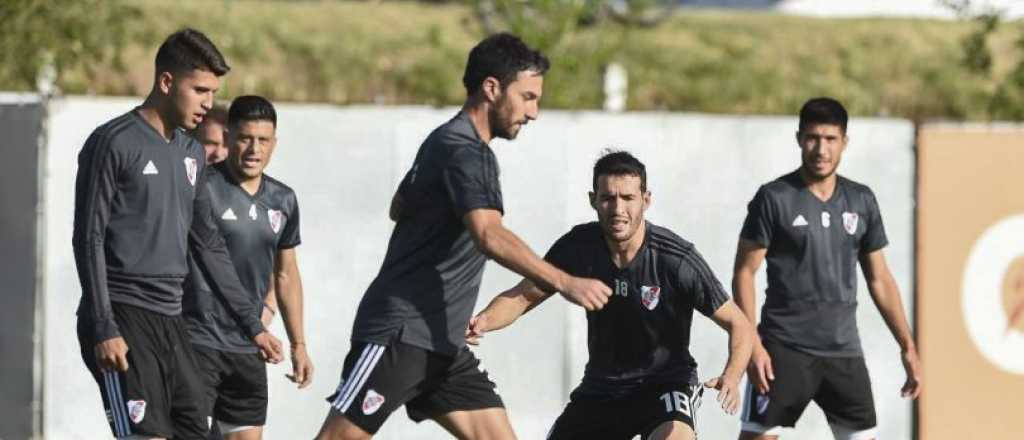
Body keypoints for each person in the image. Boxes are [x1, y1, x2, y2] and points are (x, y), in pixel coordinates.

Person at [315, 33, 611, 440]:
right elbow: (488, 234)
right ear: (491, 88)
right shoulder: (466, 152)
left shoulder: (444, 140)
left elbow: (398, 207)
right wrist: (565, 282)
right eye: (527, 97)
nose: (534, 112)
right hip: (402, 331)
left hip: (444, 341)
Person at [72, 28, 282, 439]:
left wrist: (252, 324)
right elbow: (88, 238)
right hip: (124, 315)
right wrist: (103, 324)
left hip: (173, 321)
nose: (209, 104)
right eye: (200, 89)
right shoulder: (112, 142)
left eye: (213, 92)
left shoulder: (190, 153)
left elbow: (207, 244)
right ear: (167, 82)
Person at [467, 151, 754, 440]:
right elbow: (522, 297)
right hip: (602, 388)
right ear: (593, 200)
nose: (618, 209)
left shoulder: (675, 259)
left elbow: (738, 323)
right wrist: (482, 321)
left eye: (628, 198)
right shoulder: (578, 248)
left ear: (646, 199)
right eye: (608, 198)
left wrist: (732, 374)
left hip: (665, 384)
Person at [734, 97, 921, 440]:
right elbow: (744, 272)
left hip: (844, 352)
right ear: (799, 138)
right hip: (781, 350)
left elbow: (879, 279)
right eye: (813, 138)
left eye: (831, 139)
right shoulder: (774, 197)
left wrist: (907, 345)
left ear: (844, 142)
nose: (821, 149)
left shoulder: (861, 200)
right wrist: (752, 346)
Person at [184, 95, 312, 440]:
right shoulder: (201, 188)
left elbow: (286, 274)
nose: (254, 149)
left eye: (263, 140)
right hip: (198, 341)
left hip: (248, 347)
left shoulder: (283, 200)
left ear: (274, 143)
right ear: (228, 138)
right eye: (245, 138)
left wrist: (299, 344)